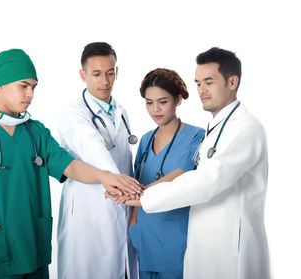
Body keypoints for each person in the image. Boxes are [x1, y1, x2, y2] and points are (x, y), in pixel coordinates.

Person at [0, 49, 140, 279]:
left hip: (34, 253)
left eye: (33, 87)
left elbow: (69, 166)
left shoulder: (36, 132)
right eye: (23, 86)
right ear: (0, 85)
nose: (30, 94)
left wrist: (104, 176)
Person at [116, 47, 271, 279]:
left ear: (232, 82)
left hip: (228, 249)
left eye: (208, 82)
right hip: (196, 245)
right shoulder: (216, 129)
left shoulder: (245, 128)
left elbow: (208, 180)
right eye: (198, 83)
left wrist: (146, 195)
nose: (201, 90)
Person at [57, 42, 139, 279]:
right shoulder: (73, 112)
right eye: (96, 74)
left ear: (117, 72)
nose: (105, 80)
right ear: (83, 75)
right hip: (88, 209)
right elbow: (91, 146)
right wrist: (121, 183)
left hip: (121, 203)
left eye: (110, 73)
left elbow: (125, 156)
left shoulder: (121, 110)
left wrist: (124, 189)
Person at [128, 68, 204, 279]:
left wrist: (139, 195)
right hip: (144, 238)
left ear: (178, 99)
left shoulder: (196, 136)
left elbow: (182, 175)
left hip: (174, 240)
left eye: (163, 101)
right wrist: (133, 225)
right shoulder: (145, 139)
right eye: (149, 102)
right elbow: (137, 179)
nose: (155, 109)